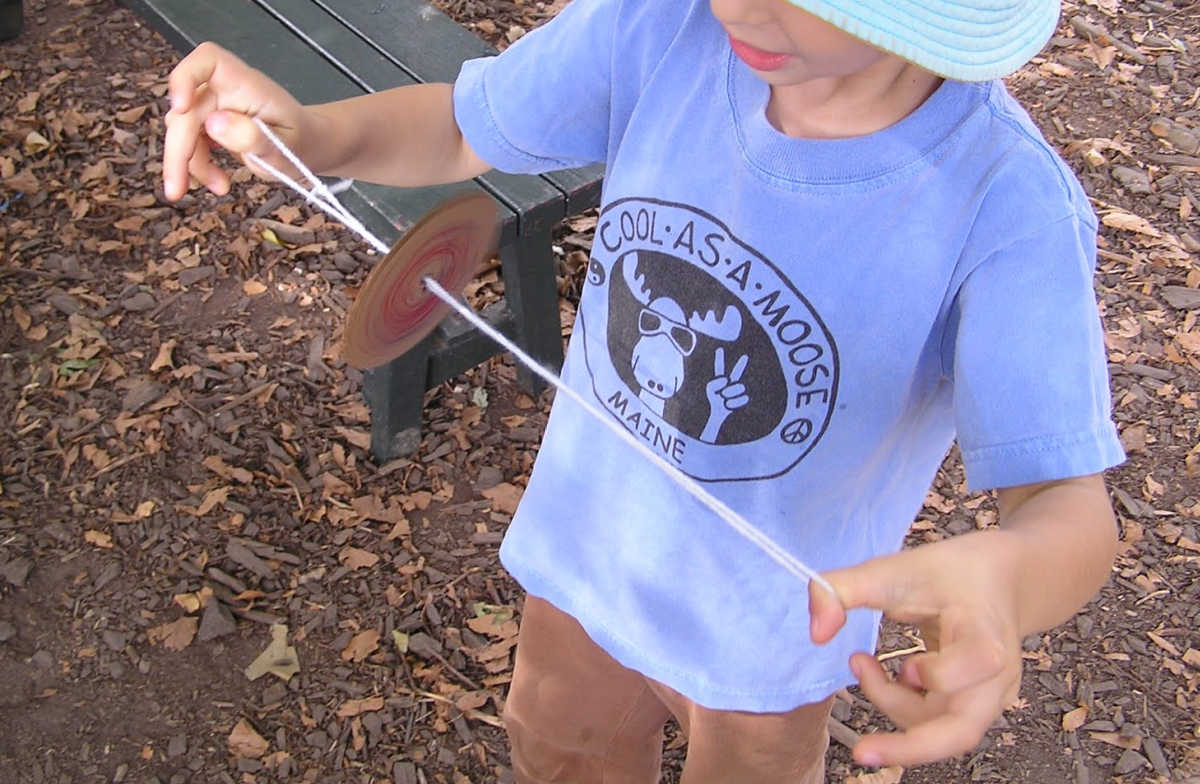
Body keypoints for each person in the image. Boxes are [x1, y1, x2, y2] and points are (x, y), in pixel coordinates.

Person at [161, 0, 1126, 780]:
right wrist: (312, 134)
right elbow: (461, 128)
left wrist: (1007, 578)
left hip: (764, 643)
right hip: (586, 563)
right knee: (560, 746)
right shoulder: (659, 25)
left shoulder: (1007, 207)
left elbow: (1066, 507)